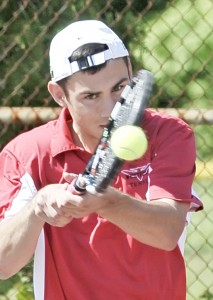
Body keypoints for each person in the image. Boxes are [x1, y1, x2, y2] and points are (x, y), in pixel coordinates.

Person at [0, 20, 203, 300]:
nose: (109, 108)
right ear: (59, 95)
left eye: (119, 87)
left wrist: (105, 201)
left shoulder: (169, 135)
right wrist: (38, 207)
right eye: (91, 96)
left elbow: (167, 232)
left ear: (130, 72)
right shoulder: (26, 153)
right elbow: (3, 264)